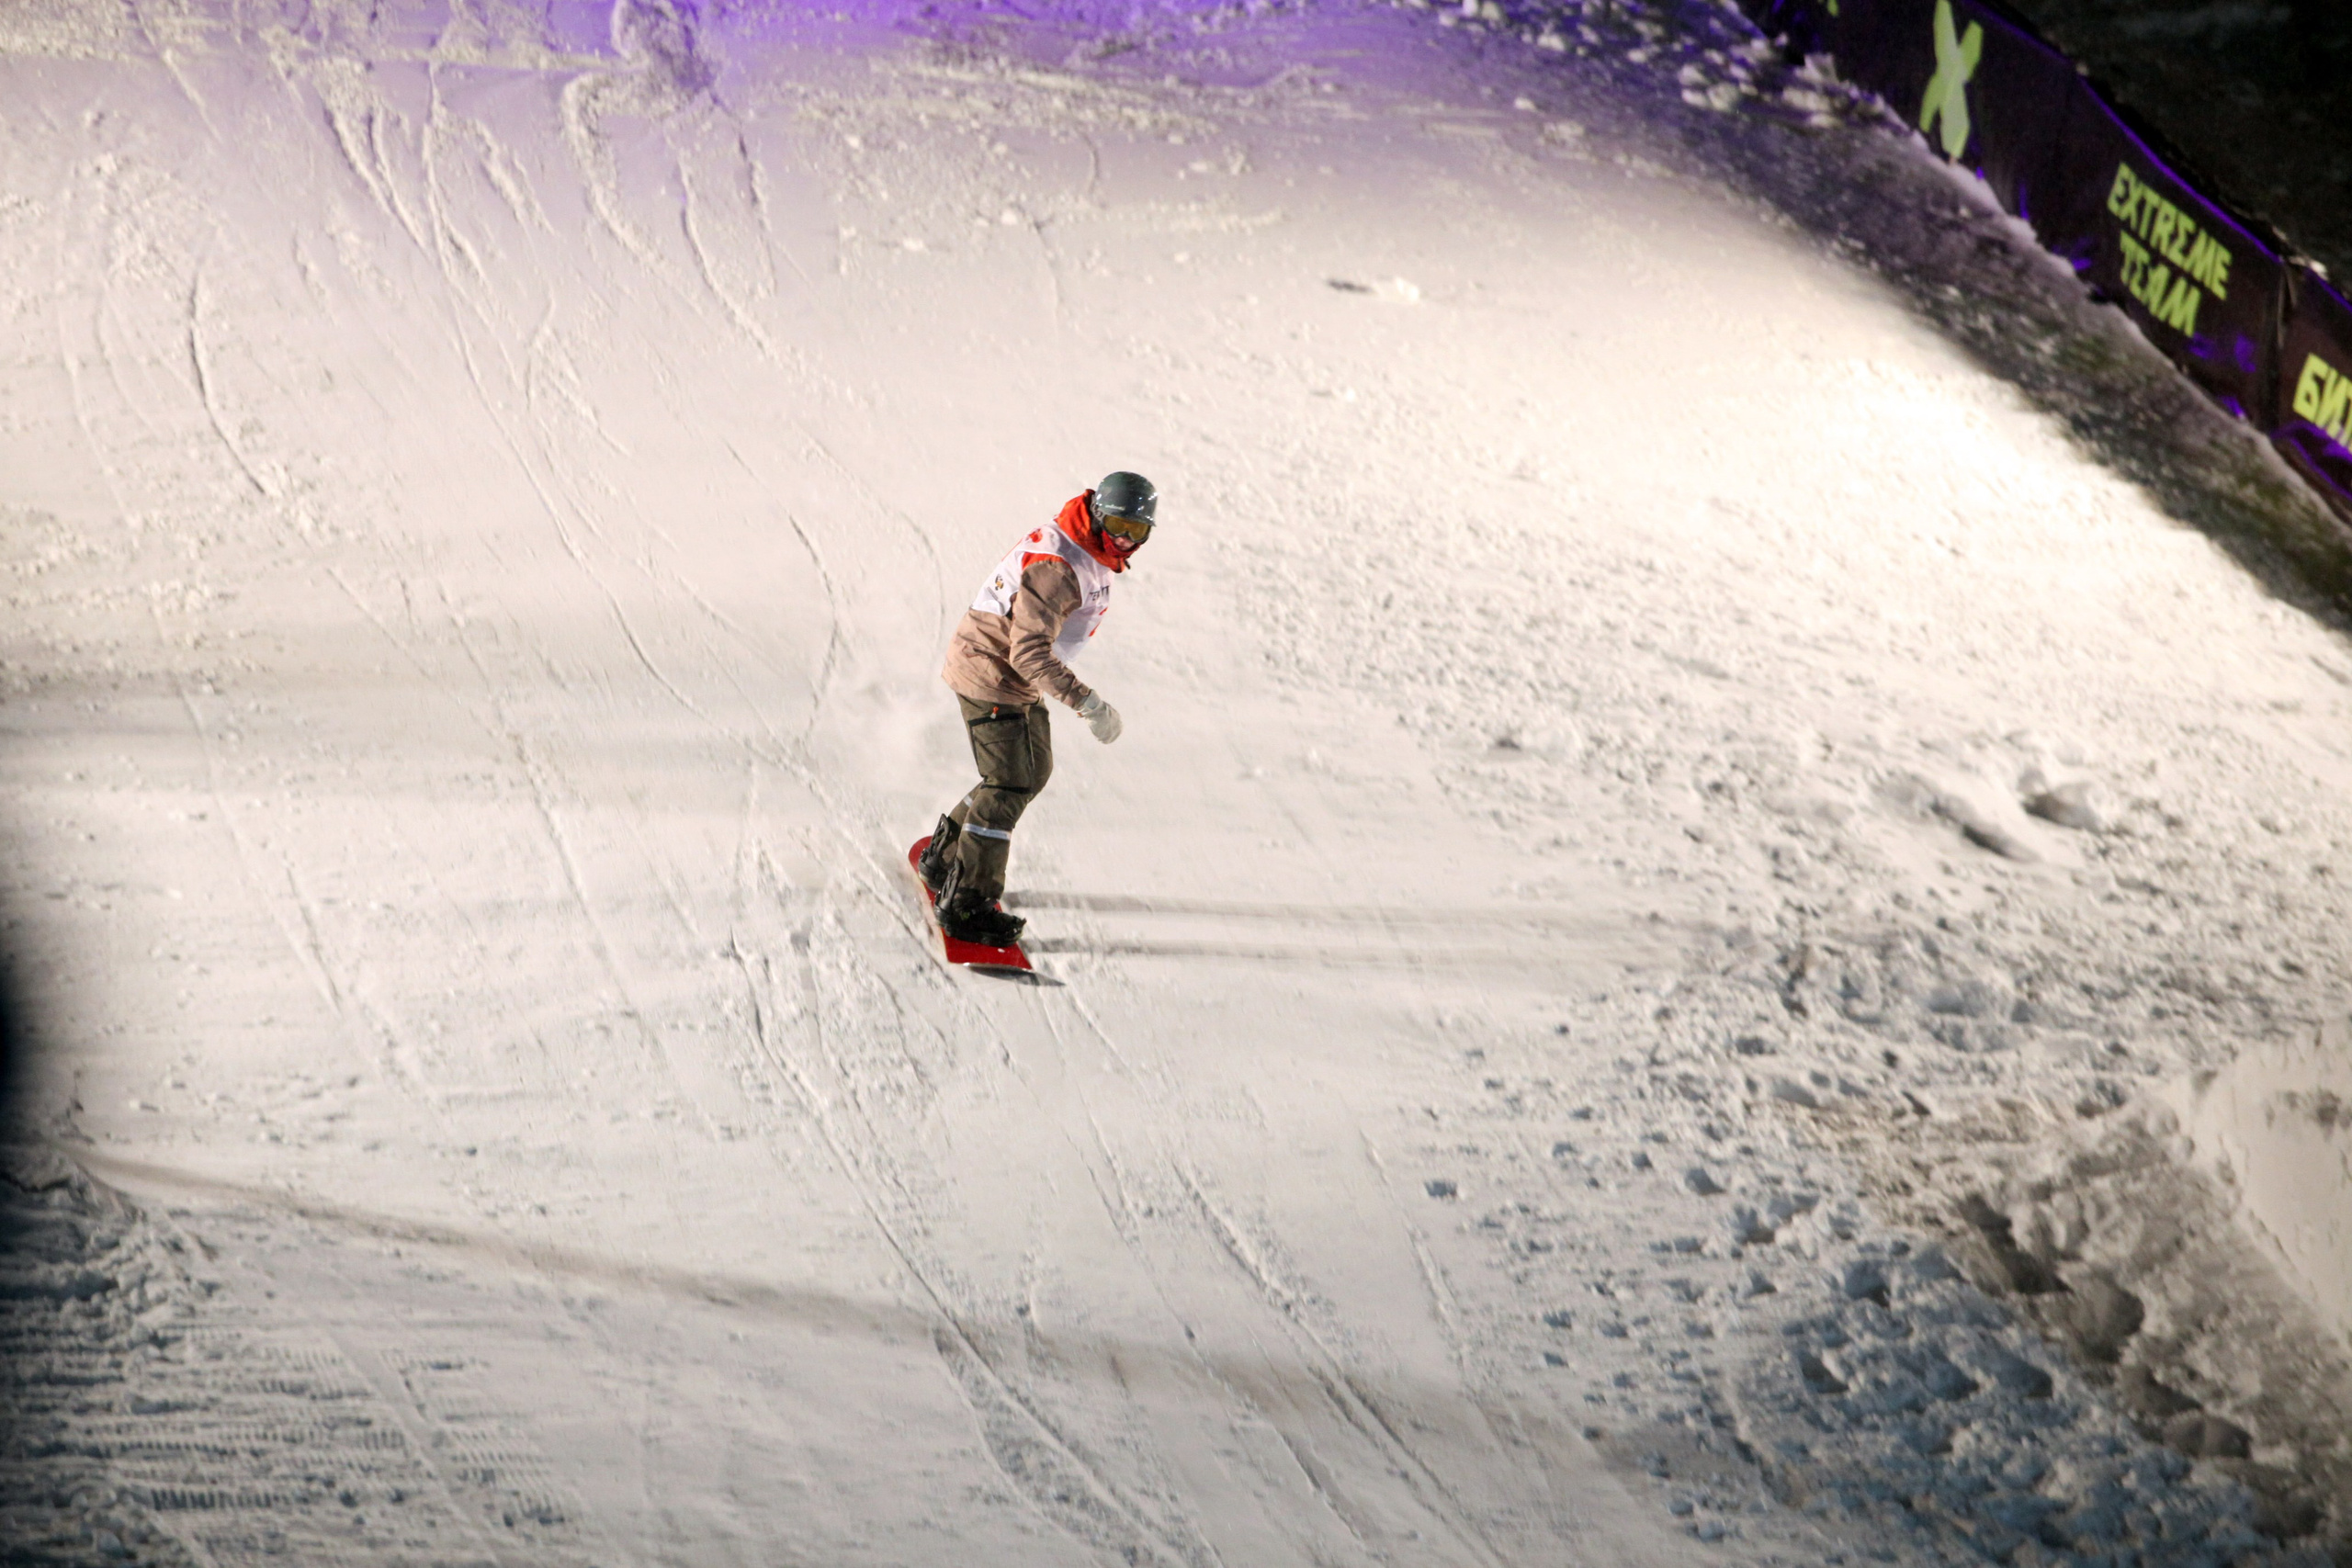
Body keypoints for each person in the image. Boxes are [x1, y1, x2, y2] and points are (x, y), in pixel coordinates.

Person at [916, 471, 1156, 944]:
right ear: (1098, 515)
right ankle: (966, 903)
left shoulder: (1086, 548)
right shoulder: (1061, 568)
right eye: (1118, 526)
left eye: (1138, 531)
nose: (1126, 541)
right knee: (1010, 781)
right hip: (993, 672)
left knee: (1032, 771)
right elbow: (1027, 652)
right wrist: (1087, 702)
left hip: (1013, 677)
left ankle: (944, 857)